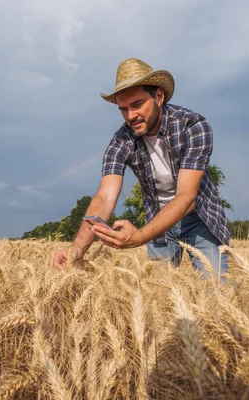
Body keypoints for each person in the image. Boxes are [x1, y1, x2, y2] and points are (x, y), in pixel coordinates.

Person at [53, 58, 230, 279]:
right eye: (123, 109)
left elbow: (187, 197)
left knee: (215, 290)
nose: (130, 116)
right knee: (158, 296)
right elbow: (105, 197)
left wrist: (139, 237)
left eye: (137, 105)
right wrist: (76, 251)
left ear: (158, 96)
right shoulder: (120, 140)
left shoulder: (193, 126)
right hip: (157, 220)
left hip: (199, 218)